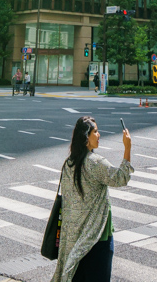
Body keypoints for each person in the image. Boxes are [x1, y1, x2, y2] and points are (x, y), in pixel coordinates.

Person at [51, 116, 132, 282]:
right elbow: (121, 178)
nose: (99, 135)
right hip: (98, 238)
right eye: (95, 131)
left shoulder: (69, 164)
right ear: (86, 137)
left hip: (75, 240)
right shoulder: (95, 163)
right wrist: (127, 148)